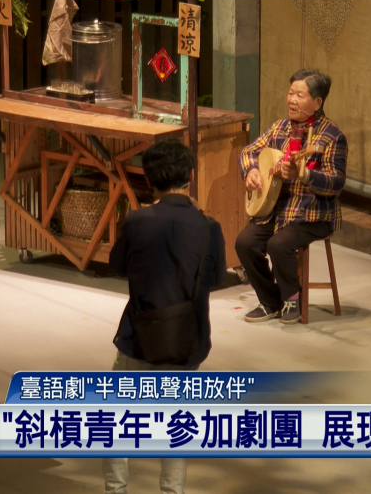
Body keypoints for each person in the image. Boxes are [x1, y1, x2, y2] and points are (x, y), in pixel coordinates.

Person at [106, 138, 226, 494]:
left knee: (114, 421)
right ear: (191, 176)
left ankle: (116, 489)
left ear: (149, 179)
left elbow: (117, 266)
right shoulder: (209, 228)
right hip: (187, 340)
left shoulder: (137, 221)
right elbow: (217, 279)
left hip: (138, 337)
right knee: (177, 426)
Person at [236, 69, 348, 324]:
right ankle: (270, 301)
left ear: (317, 102)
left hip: (313, 214)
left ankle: (291, 298)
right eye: (290, 93)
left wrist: (304, 175)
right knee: (244, 243)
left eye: (300, 95)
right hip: (277, 211)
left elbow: (336, 183)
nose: (292, 100)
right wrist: (251, 171)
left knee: (279, 245)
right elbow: (249, 151)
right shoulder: (280, 128)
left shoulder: (331, 137)